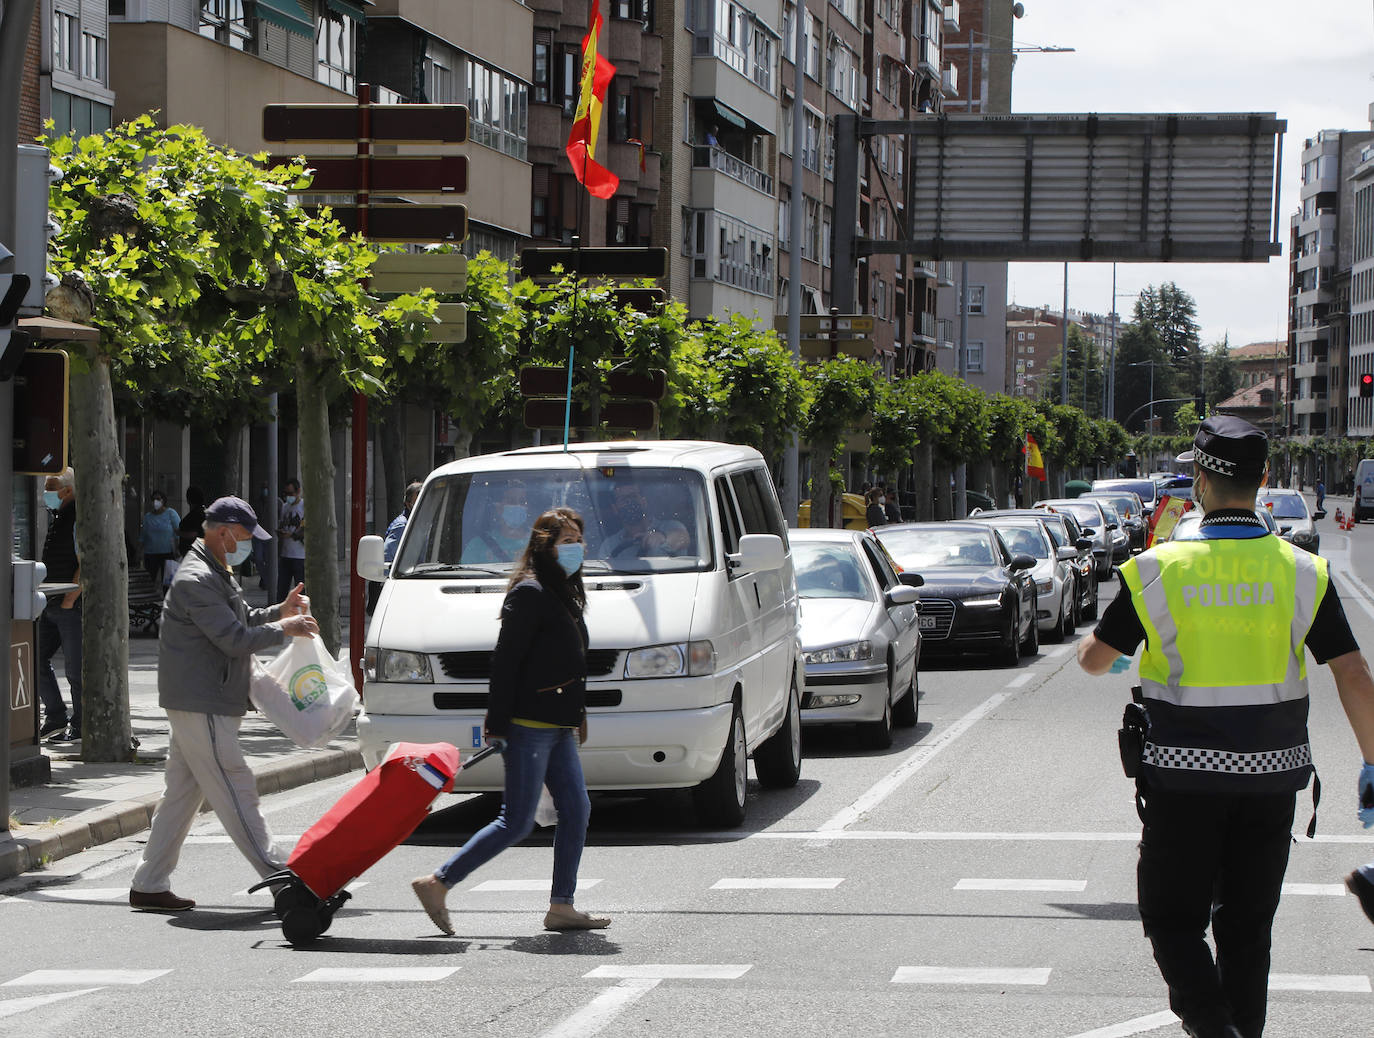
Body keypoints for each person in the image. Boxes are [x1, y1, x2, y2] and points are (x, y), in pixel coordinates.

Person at [1076, 415, 1374, 1038]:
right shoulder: (1302, 572)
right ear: (1263, 482)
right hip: (1271, 784)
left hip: (1180, 782)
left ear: (1200, 484)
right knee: (1247, 934)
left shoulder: (1158, 569)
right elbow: (1353, 675)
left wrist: (1132, 650)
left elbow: (1095, 660)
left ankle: (1214, 1029)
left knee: (1171, 920)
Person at [410, 507, 608, 935]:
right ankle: (438, 882)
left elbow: (569, 661)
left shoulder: (564, 593)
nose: (576, 548)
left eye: (579, 540)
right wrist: (497, 725)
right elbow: (505, 663)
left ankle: (561, 905)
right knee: (516, 820)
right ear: (545, 546)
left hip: (557, 725)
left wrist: (578, 713)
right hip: (529, 725)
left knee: (576, 809)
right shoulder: (530, 593)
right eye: (567, 541)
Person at [128, 496, 318, 912]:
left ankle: (149, 882)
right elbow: (233, 640)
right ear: (224, 531)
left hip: (200, 698)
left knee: (182, 793)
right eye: (246, 536)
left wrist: (276, 613)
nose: (248, 543)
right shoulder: (197, 577)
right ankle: (280, 879)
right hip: (204, 701)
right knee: (236, 787)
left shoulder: (213, 570)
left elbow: (240, 619)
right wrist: (286, 627)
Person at [37, 467, 82, 742]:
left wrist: (69, 600)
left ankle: (81, 724)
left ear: (67, 490)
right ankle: (55, 715)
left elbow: (84, 561)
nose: (47, 493)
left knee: (76, 670)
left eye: (52, 487)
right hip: (51, 603)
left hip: (68, 605)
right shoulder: (59, 516)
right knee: (34, 657)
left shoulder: (76, 517)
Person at [369, 481, 423, 613]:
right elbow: (387, 564)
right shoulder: (402, 527)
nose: (422, 506)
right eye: (418, 501)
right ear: (408, 503)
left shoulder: (421, 523)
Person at [600, 483, 687, 558]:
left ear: (644, 501)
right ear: (615, 509)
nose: (629, 502)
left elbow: (682, 538)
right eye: (623, 499)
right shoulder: (609, 545)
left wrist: (662, 538)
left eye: (633, 496)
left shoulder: (671, 527)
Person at [463, 482, 531, 564]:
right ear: (498, 507)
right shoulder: (478, 545)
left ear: (527, 508)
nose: (518, 505)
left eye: (522, 501)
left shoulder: (538, 543)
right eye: (511, 501)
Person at [139, 490, 181, 589]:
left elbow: (178, 532)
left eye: (158, 499)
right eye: (153, 499)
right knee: (149, 581)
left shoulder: (171, 514)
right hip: (150, 553)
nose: (155, 502)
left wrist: (178, 548)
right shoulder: (148, 517)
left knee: (168, 583)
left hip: (167, 553)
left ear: (163, 500)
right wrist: (139, 551)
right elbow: (143, 536)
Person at [277, 478, 305, 600]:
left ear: (298, 491)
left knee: (300, 590)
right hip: (285, 554)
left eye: (291, 493)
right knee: (282, 589)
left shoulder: (304, 506)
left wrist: (292, 535)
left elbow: (307, 530)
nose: (288, 497)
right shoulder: (285, 507)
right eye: (286, 494)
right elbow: (282, 524)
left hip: (300, 555)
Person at [177, 486, 206, 558]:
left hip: (193, 554)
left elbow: (193, 534)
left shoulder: (194, 515)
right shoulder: (205, 512)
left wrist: (178, 533)